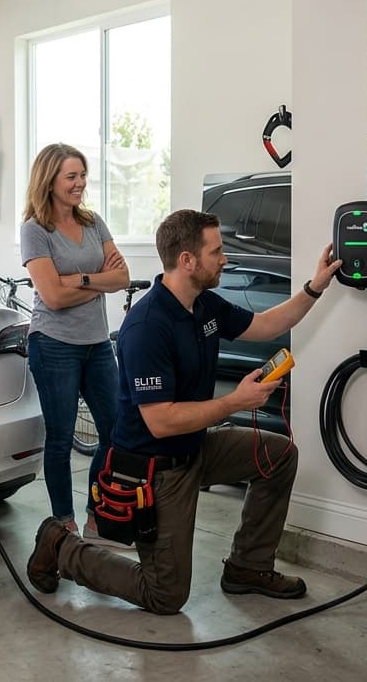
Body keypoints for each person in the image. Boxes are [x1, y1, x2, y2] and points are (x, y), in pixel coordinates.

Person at [26, 209, 342, 614]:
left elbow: (264, 325)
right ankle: (61, 546)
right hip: (155, 468)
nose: (224, 259)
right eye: (217, 251)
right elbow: (160, 422)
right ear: (187, 260)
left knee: (278, 455)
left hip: (194, 448)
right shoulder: (147, 326)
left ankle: (248, 566)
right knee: (166, 595)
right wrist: (234, 402)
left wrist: (315, 286)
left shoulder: (204, 305)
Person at [20, 143, 130, 542]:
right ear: (50, 180)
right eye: (72, 176)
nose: (81, 183)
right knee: (62, 437)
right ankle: (63, 524)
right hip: (53, 344)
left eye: (83, 175)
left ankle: (95, 515)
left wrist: (79, 280)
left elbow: (121, 278)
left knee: (117, 431)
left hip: (97, 343)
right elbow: (52, 298)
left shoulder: (94, 222)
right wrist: (96, 281)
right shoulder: (35, 230)